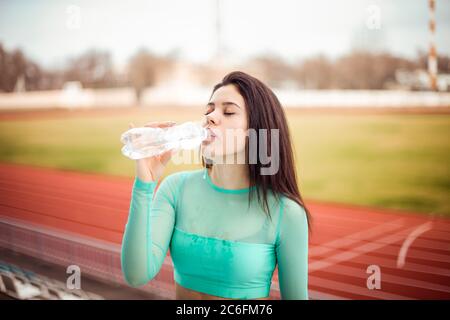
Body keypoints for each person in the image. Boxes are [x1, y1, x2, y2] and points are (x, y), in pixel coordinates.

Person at [121, 71, 312, 300]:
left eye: (228, 111)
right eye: (209, 110)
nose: (211, 117)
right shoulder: (176, 189)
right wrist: (145, 183)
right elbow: (136, 274)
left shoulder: (286, 212)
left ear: (257, 130)